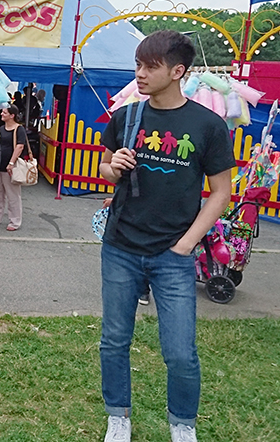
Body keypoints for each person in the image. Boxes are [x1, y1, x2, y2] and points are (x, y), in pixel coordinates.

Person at [97, 30, 235, 442]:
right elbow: (105, 170)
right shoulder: (127, 117)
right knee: (114, 340)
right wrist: (113, 166)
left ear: (178, 71)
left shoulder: (208, 125)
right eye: (138, 65)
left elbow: (222, 191)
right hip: (120, 245)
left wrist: (187, 243)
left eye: (150, 66)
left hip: (173, 253)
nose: (139, 74)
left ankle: (182, 426)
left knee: (180, 352)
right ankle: (118, 417)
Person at [0, 105, 28, 231]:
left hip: (11, 166)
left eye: (5, 112)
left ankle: (15, 221)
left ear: (12, 115)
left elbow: (19, 147)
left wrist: (11, 163)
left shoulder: (19, 129)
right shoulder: (1, 128)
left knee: (13, 195)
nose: (2, 114)